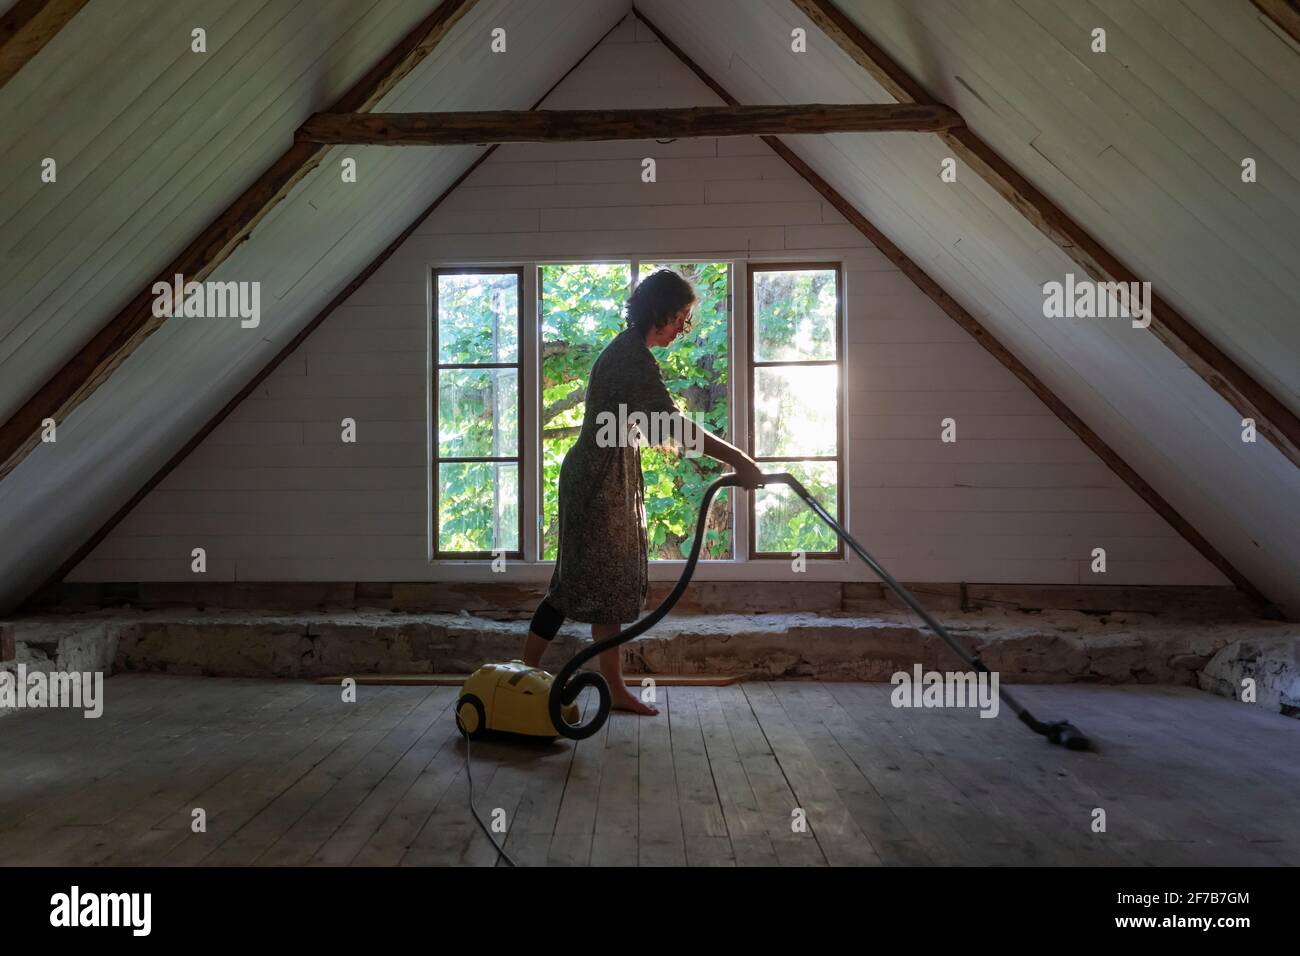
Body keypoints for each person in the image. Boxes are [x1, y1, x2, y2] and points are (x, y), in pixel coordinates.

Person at [522, 269, 764, 715]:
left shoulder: (631, 353)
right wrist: (741, 462)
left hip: (607, 478)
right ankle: (520, 677)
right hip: (596, 482)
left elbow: (656, 426)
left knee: (607, 588)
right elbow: (673, 425)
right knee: (571, 587)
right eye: (682, 318)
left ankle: (609, 686)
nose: (683, 328)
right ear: (663, 312)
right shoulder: (630, 358)